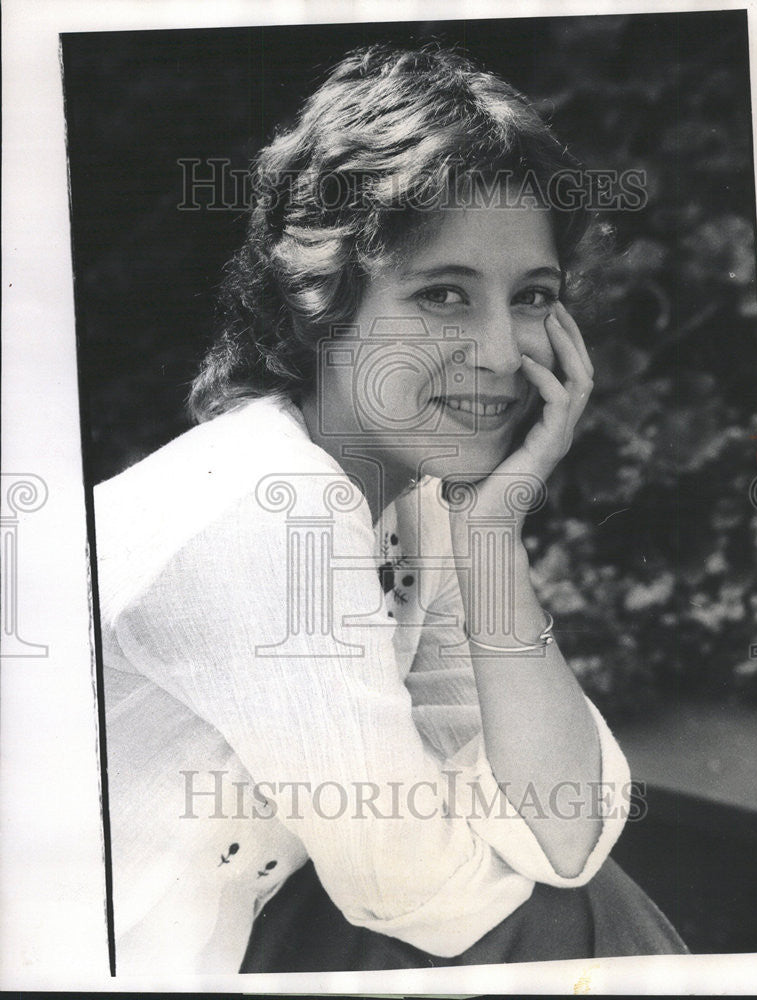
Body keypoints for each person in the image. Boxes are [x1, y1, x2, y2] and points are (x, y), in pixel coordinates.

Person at [95, 43, 688, 973]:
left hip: (230, 944)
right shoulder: (268, 512)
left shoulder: (418, 506)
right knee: (568, 932)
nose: (501, 351)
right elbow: (415, 894)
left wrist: (490, 536)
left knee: (580, 909)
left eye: (532, 297)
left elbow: (562, 834)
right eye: (444, 295)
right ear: (324, 302)